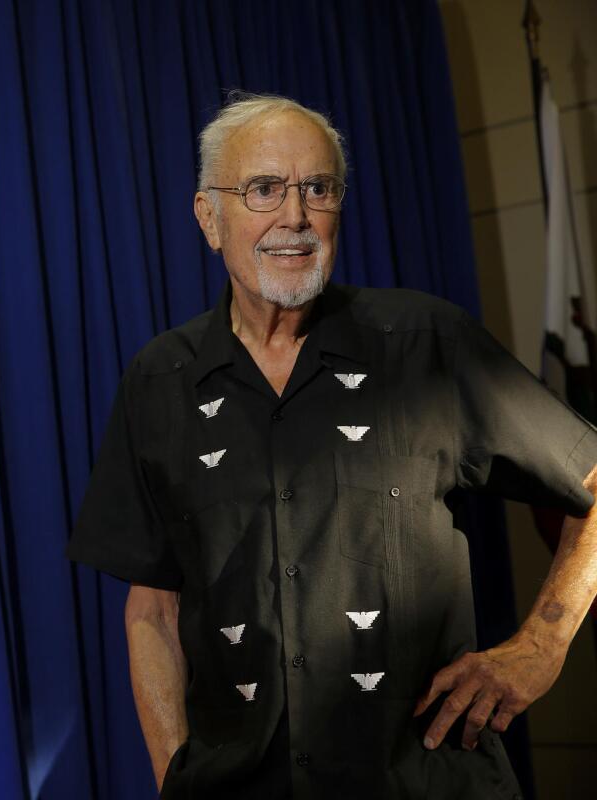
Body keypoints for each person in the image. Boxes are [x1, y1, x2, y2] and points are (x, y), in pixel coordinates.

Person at [66, 93, 597, 799]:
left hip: (427, 782)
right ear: (208, 217)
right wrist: (177, 778)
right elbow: (152, 611)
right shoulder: (159, 380)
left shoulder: (423, 343)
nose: (295, 216)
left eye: (318, 188)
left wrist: (541, 646)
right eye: (263, 190)